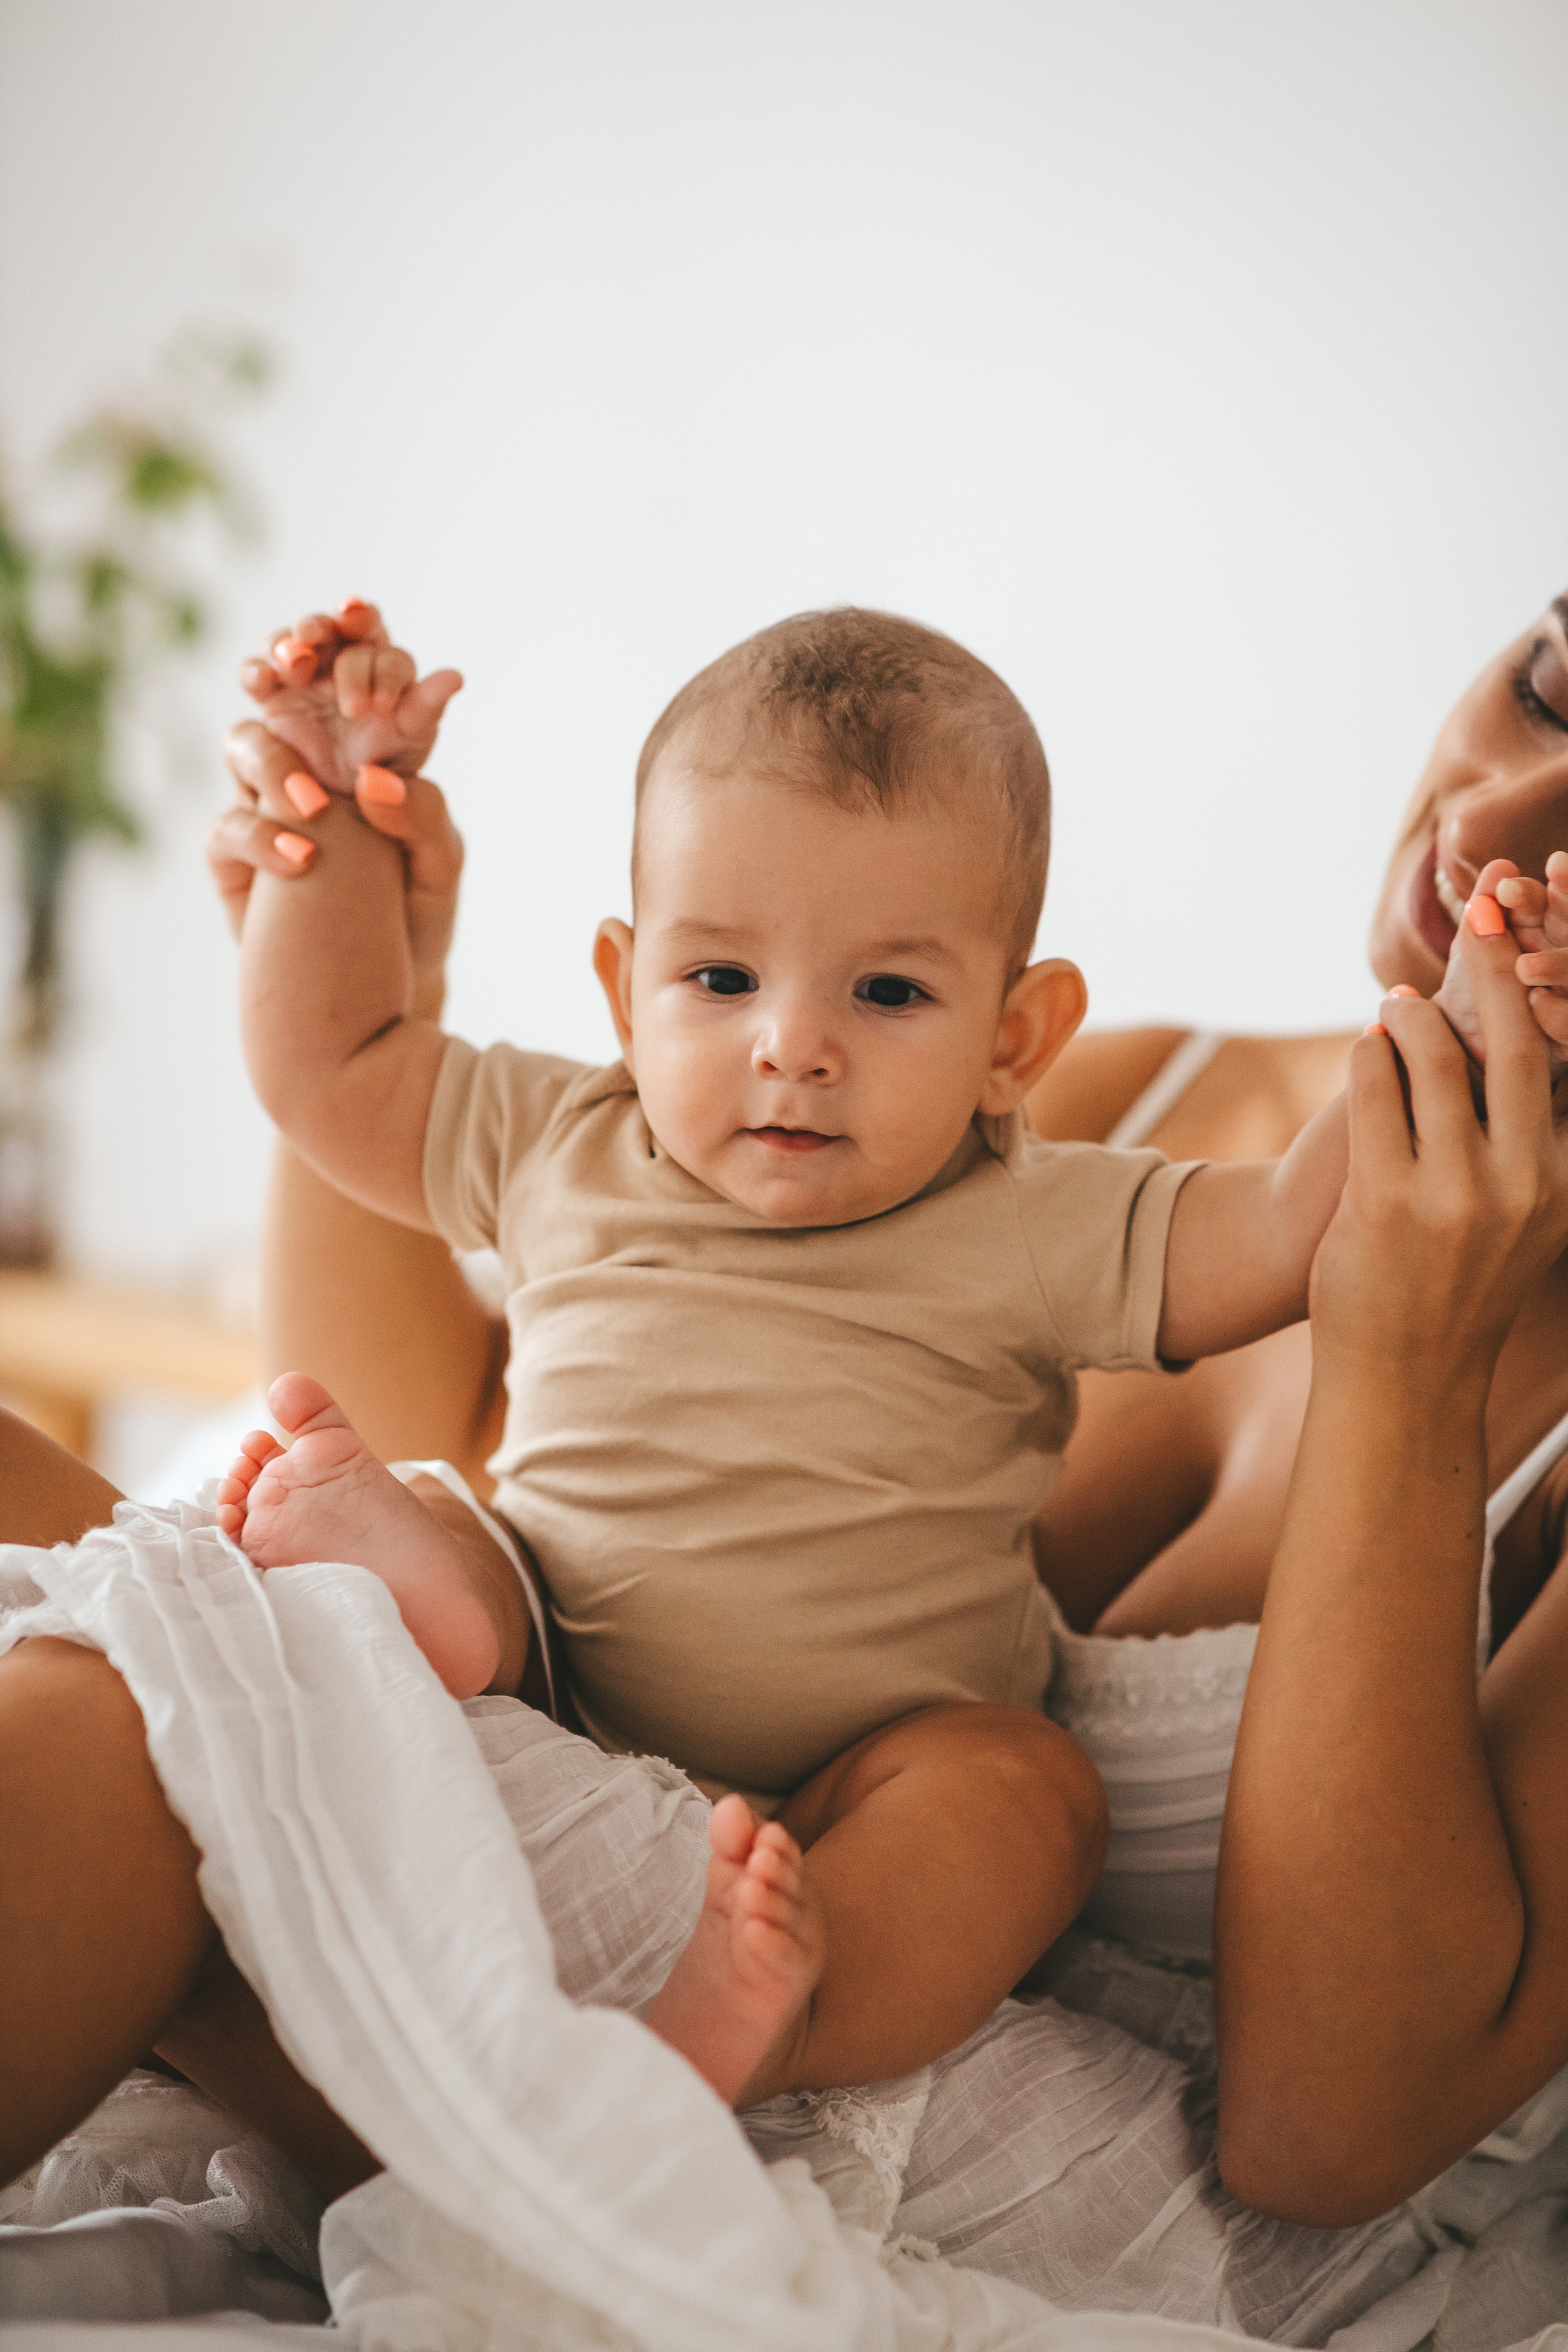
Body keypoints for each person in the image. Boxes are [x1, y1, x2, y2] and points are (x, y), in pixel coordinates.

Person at [211, 585, 1568, 2231]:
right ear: (626, 981)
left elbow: (1286, 1231)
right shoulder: (606, 1128)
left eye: (888, 997)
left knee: (1021, 1789)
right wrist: (336, 885)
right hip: (558, 1668)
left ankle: (767, 2008)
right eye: (1552, 687)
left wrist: (1443, 1048)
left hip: (868, 1811)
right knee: (422, 1523)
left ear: (1011, 1035)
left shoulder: (1027, 1191)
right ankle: (398, 1572)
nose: (795, 1050)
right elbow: (342, 1075)